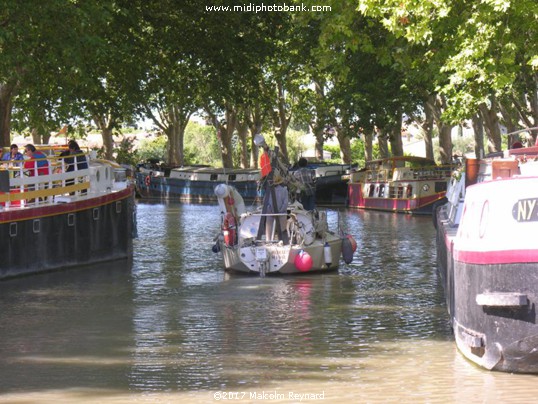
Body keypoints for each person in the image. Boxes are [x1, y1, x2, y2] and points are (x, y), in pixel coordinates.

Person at [265, 173, 288, 241]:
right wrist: (279, 211)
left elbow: (266, 203)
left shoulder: (268, 190)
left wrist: (271, 211)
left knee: (269, 232)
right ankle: (284, 242)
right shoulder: (284, 190)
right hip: (281, 213)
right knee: (283, 230)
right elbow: (285, 203)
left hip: (270, 213)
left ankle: (268, 242)